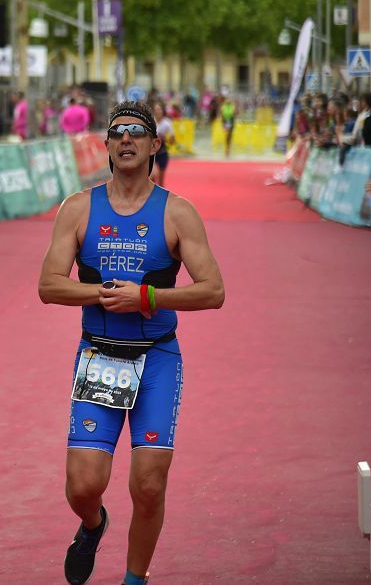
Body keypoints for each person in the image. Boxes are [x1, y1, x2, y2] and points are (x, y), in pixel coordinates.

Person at [38, 100, 224, 585]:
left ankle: (133, 579)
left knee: (148, 485)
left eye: (136, 132)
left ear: (153, 145)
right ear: (105, 144)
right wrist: (102, 295)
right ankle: (93, 524)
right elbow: (49, 285)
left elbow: (213, 291)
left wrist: (148, 296)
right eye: (117, 132)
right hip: (99, 355)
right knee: (83, 486)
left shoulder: (178, 213)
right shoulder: (78, 208)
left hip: (156, 358)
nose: (126, 139)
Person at [151, 101, 173, 188]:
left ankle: (160, 198)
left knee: (160, 180)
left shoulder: (167, 123)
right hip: (152, 152)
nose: (157, 111)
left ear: (162, 111)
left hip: (163, 152)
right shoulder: (151, 121)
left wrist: (165, 138)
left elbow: (172, 141)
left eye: (159, 109)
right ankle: (150, 197)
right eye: (156, 109)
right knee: (152, 176)